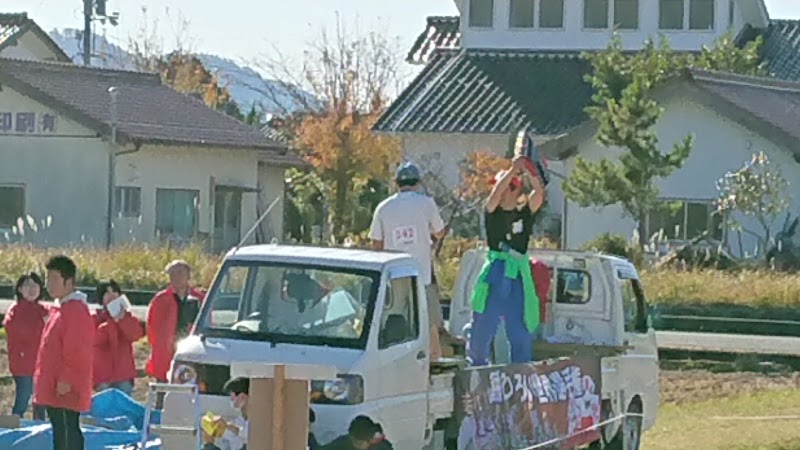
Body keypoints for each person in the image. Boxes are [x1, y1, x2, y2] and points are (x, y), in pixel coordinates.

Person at [468, 155, 546, 366]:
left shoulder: (524, 213)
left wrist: (529, 170)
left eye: (508, 187)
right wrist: (512, 170)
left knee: (518, 326)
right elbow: (493, 197)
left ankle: (520, 370)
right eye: (500, 187)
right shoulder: (492, 212)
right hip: (497, 270)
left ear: (516, 191)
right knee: (483, 323)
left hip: (518, 273)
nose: (502, 192)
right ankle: (476, 367)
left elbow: (539, 193)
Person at [369, 162, 447, 359]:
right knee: (430, 323)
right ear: (418, 183)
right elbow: (439, 232)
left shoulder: (383, 207)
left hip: (394, 274)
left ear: (396, 183)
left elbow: (376, 243)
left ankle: (395, 361)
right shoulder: (426, 203)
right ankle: (432, 361)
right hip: (422, 274)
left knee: (395, 319)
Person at [34, 255, 94, 450]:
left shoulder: (75, 310)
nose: (48, 284)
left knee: (67, 431)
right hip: (55, 384)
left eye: (53, 279)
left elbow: (78, 350)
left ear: (69, 281)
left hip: (65, 387)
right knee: (61, 431)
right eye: (47, 279)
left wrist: (67, 379)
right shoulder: (60, 309)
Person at [146, 259, 206, 382]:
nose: (176, 277)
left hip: (191, 352)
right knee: (162, 393)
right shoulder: (160, 300)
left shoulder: (199, 299)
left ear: (188, 275)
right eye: (172, 274)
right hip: (165, 356)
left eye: (180, 273)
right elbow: (151, 329)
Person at [4, 273, 48, 420]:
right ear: (20, 289)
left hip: (41, 364)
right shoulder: (15, 310)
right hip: (22, 364)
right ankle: (14, 428)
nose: (32, 289)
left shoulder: (44, 310)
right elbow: (17, 331)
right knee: (23, 396)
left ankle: (39, 430)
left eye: (35, 285)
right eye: (27, 285)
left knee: (41, 401)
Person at [92, 280, 144, 396]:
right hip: (102, 376)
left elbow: (136, 334)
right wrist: (113, 322)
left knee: (124, 407)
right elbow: (95, 340)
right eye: (107, 293)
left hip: (124, 375)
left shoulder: (129, 317)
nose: (111, 295)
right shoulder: (95, 318)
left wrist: (123, 320)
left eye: (114, 291)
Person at [202, 377, 249, 450]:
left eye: (232, 395)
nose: (230, 399)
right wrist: (217, 430)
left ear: (242, 396)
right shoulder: (240, 420)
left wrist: (227, 426)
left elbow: (250, 435)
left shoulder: (259, 416)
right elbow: (233, 435)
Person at [321, 415, 392, 450]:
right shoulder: (343, 442)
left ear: (369, 440)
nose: (355, 444)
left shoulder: (382, 447)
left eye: (358, 442)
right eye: (353, 440)